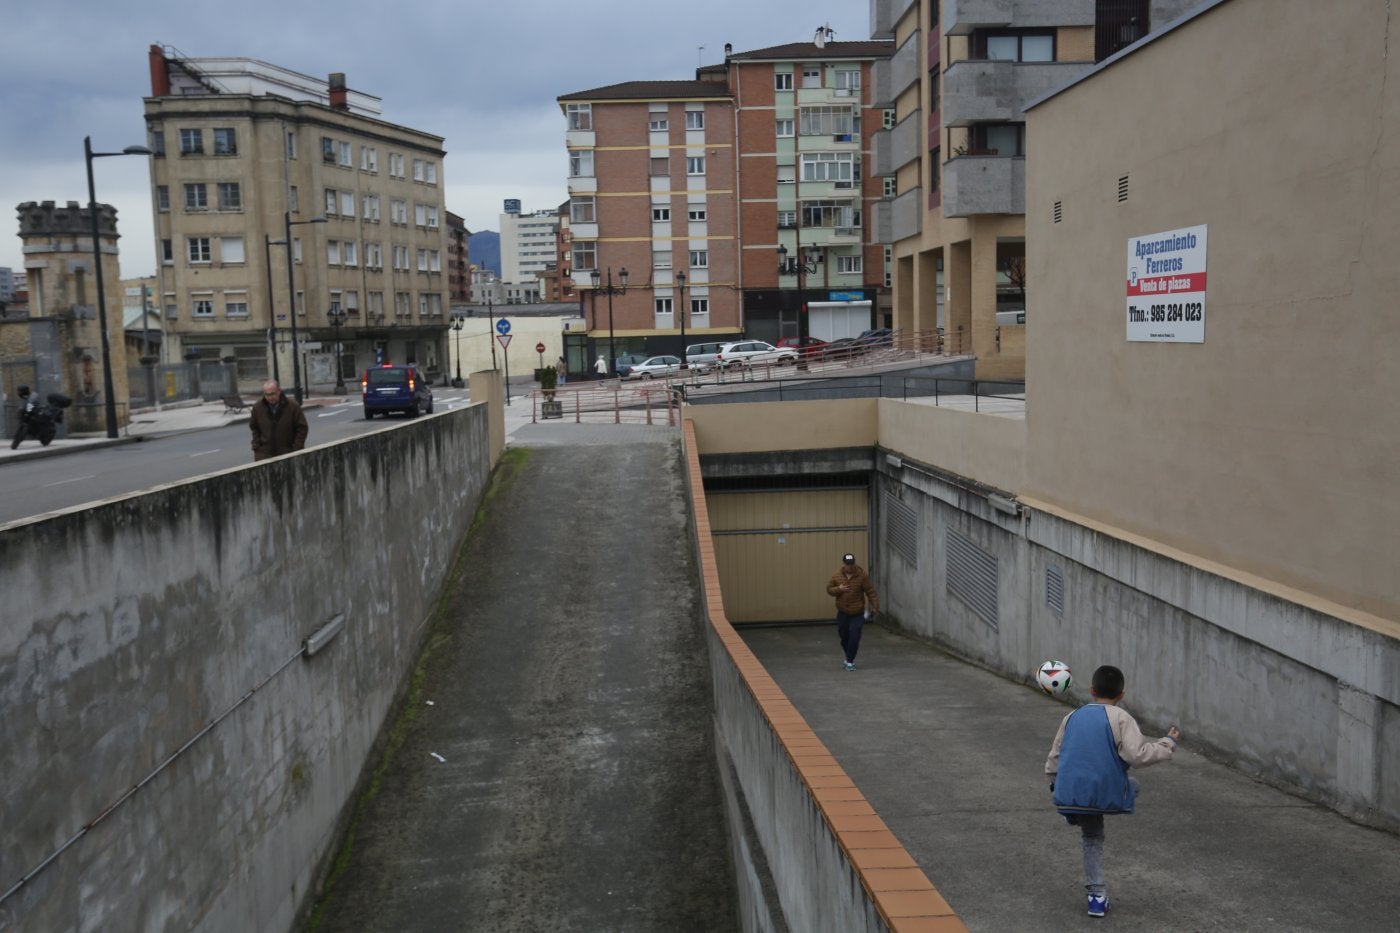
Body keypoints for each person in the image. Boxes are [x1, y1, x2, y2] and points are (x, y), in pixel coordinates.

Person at [1044, 664, 1181, 918]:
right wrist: (1167, 743)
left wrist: (1054, 783)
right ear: (1122, 695)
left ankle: (1073, 813)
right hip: (1106, 793)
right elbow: (1137, 755)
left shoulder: (1071, 716)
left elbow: (1055, 756)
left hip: (1071, 790)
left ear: (1092, 690)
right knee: (1131, 787)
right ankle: (1096, 897)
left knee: (1089, 831)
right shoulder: (1121, 718)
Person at [825, 552, 879, 671]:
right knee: (844, 636)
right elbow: (829, 590)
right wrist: (838, 589)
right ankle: (848, 656)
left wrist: (875, 606)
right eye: (848, 564)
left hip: (857, 613)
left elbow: (870, 591)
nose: (850, 567)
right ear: (844, 564)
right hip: (843, 612)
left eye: (852, 564)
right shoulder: (836, 576)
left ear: (854, 563)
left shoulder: (862, 575)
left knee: (854, 636)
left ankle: (850, 661)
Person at [249, 379, 309, 461]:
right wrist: (257, 447)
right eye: (267, 395)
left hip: (288, 453)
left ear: (279, 391)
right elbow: (254, 427)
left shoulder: (292, 406)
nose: (270, 398)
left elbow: (302, 428)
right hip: (264, 455)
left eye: (273, 394)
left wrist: (296, 449)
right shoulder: (258, 407)